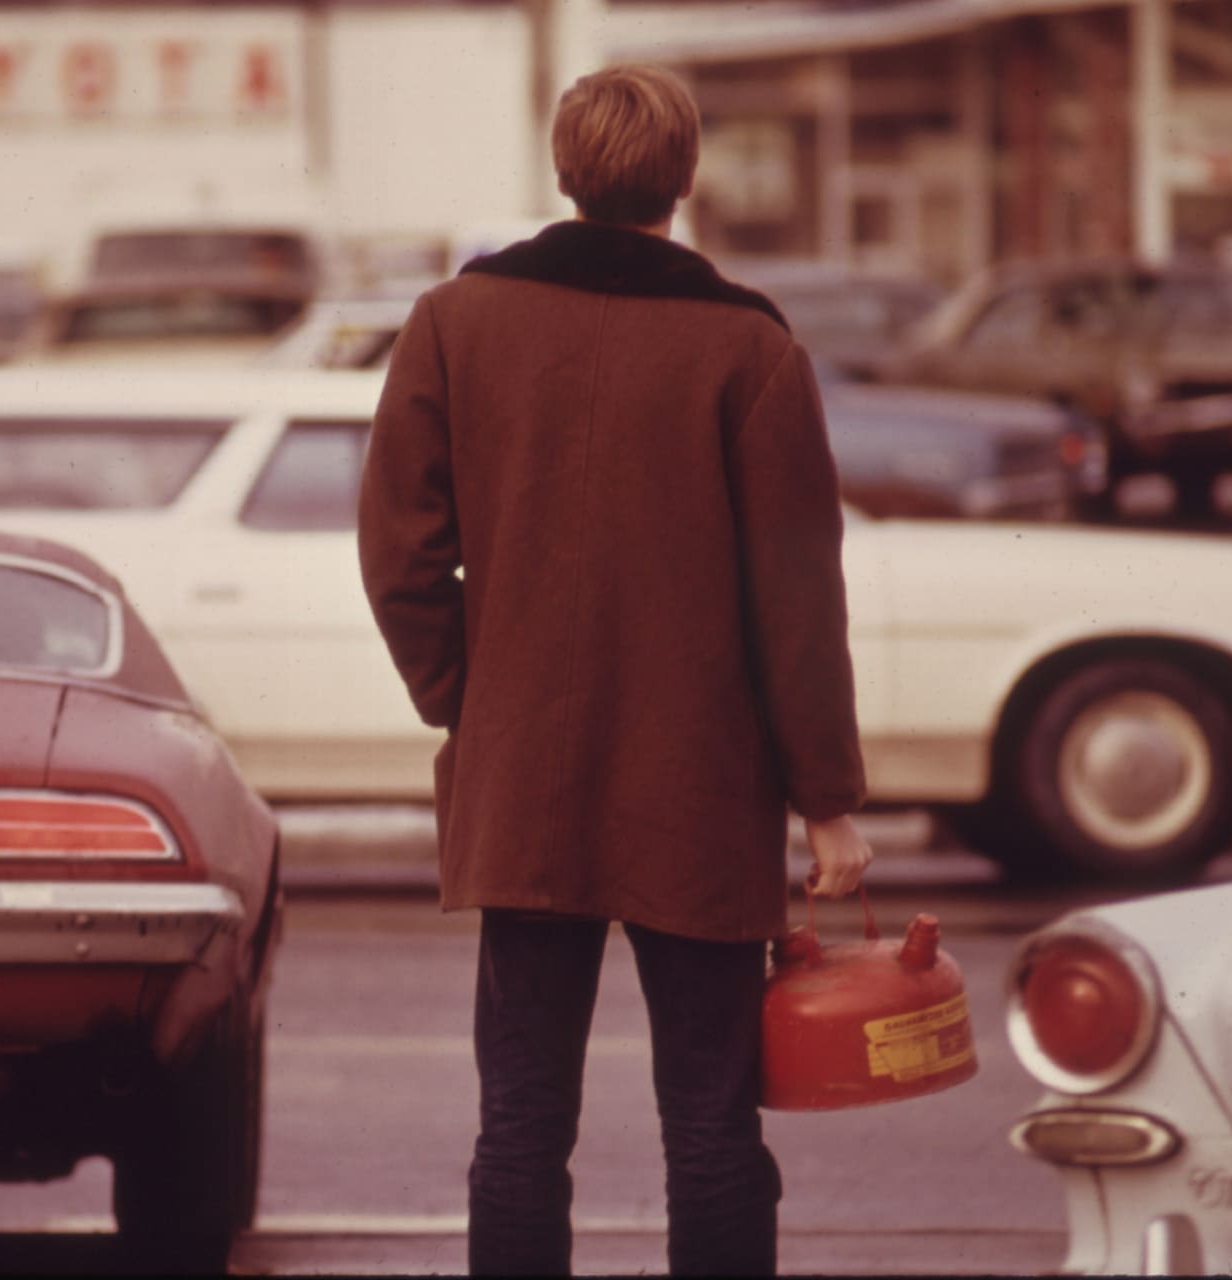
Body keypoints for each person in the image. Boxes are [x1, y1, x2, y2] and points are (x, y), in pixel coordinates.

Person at [357, 64, 874, 1277]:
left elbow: (398, 553)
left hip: (524, 780)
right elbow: (798, 594)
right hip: (700, 791)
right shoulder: (749, 348)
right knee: (710, 1123)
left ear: (564, 171)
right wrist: (827, 796)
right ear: (684, 180)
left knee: (521, 1126)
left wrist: (471, 705)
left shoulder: (453, 321)